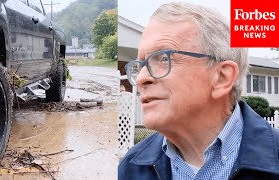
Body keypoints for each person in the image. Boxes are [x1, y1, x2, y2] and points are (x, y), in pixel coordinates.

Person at [119, 2, 279, 180]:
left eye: (164, 58)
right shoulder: (130, 168)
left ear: (222, 78)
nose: (141, 78)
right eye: (141, 65)